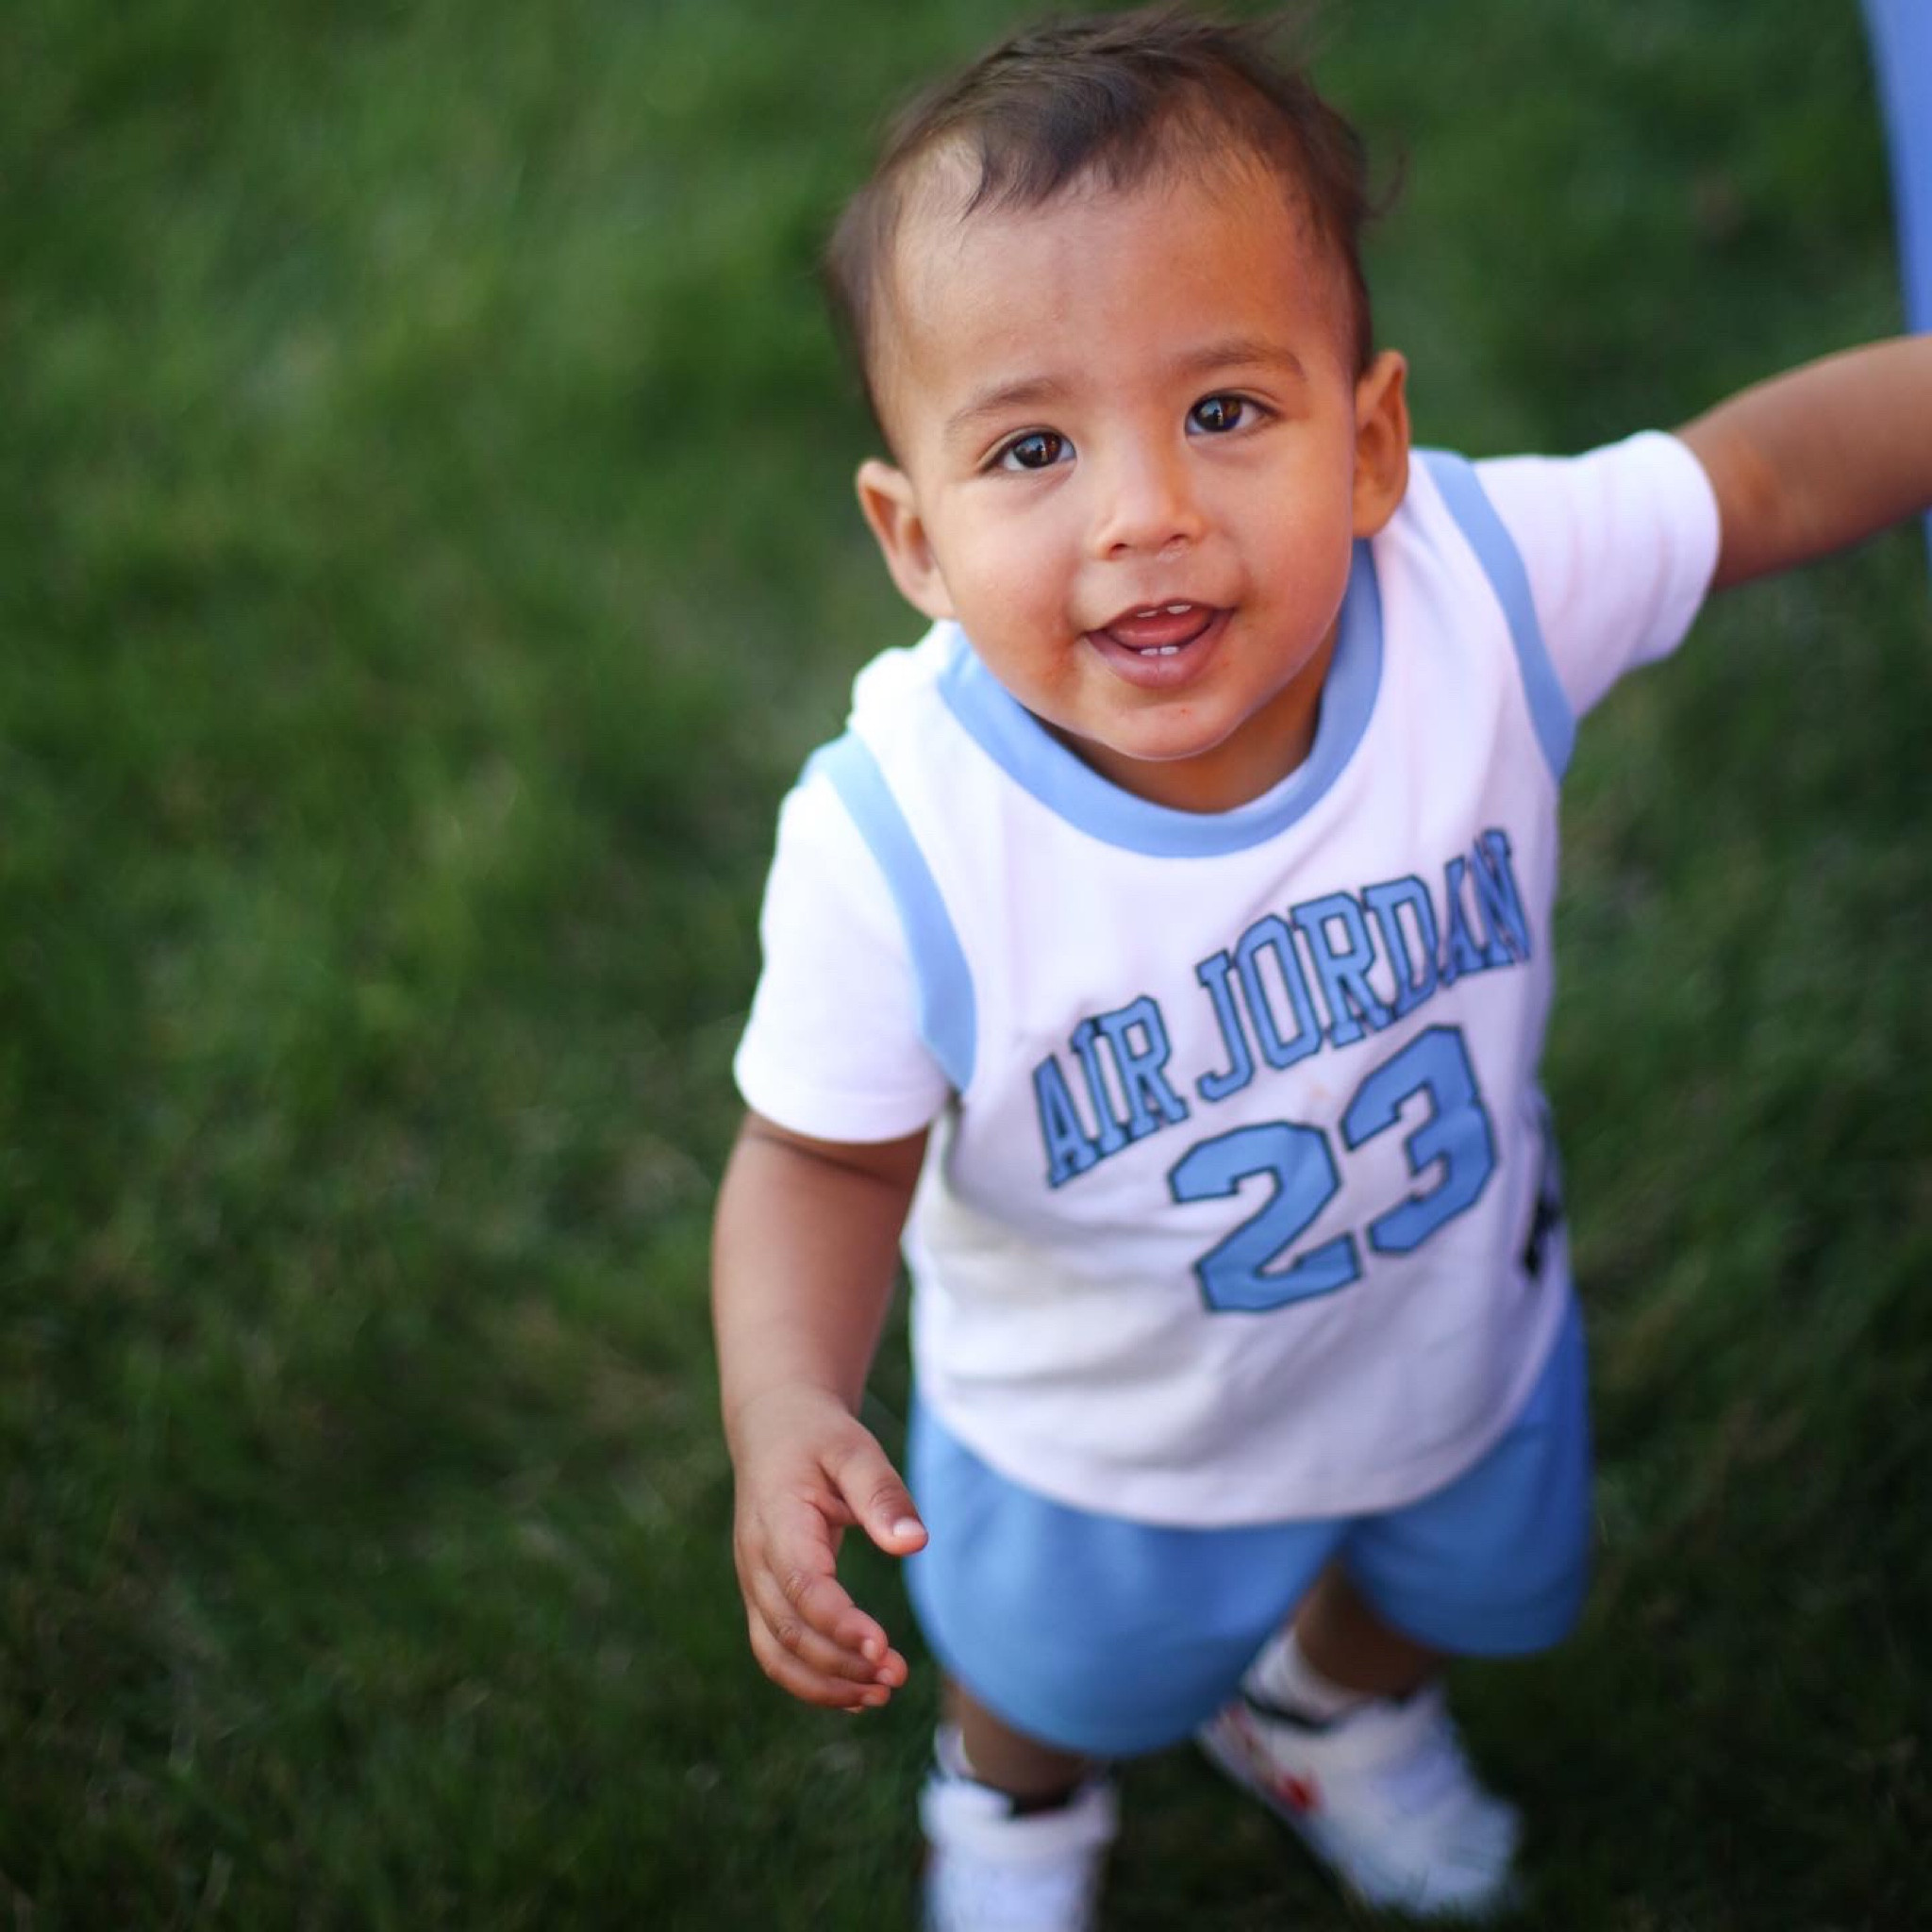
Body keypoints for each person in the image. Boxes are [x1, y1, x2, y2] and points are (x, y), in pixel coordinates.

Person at [710, 10, 1932, 1928]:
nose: (1143, 510)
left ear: (1368, 443)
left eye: (1221, 410)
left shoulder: (1480, 582)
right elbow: (820, 1161)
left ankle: (1328, 1715)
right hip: (1103, 1443)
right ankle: (1013, 1814)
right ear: (914, 537)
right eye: (1032, 446)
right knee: (1054, 1684)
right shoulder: (899, 842)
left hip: (1454, 1346)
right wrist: (786, 1398)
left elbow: (1758, 481)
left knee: (1439, 1592)